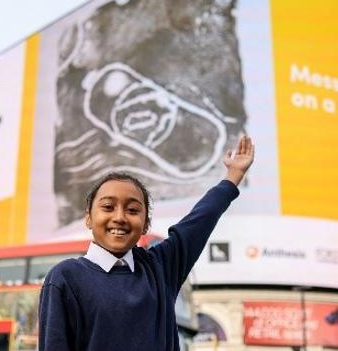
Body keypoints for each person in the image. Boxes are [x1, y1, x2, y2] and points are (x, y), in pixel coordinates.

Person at [38, 135, 255, 350]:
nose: (120, 217)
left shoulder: (160, 269)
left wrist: (233, 175)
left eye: (132, 210)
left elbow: (199, 221)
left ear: (145, 224)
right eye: (107, 207)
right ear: (88, 218)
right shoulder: (64, 278)